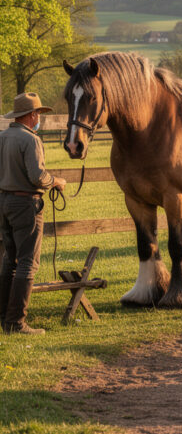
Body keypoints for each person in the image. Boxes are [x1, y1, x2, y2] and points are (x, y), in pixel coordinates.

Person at [0, 93, 66, 335]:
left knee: (10, 260)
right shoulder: (30, 140)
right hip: (26, 204)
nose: (39, 116)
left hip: (4, 201)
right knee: (28, 262)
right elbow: (37, 176)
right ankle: (16, 322)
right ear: (30, 115)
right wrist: (56, 181)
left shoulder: (3, 136)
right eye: (37, 112)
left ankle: (4, 319)